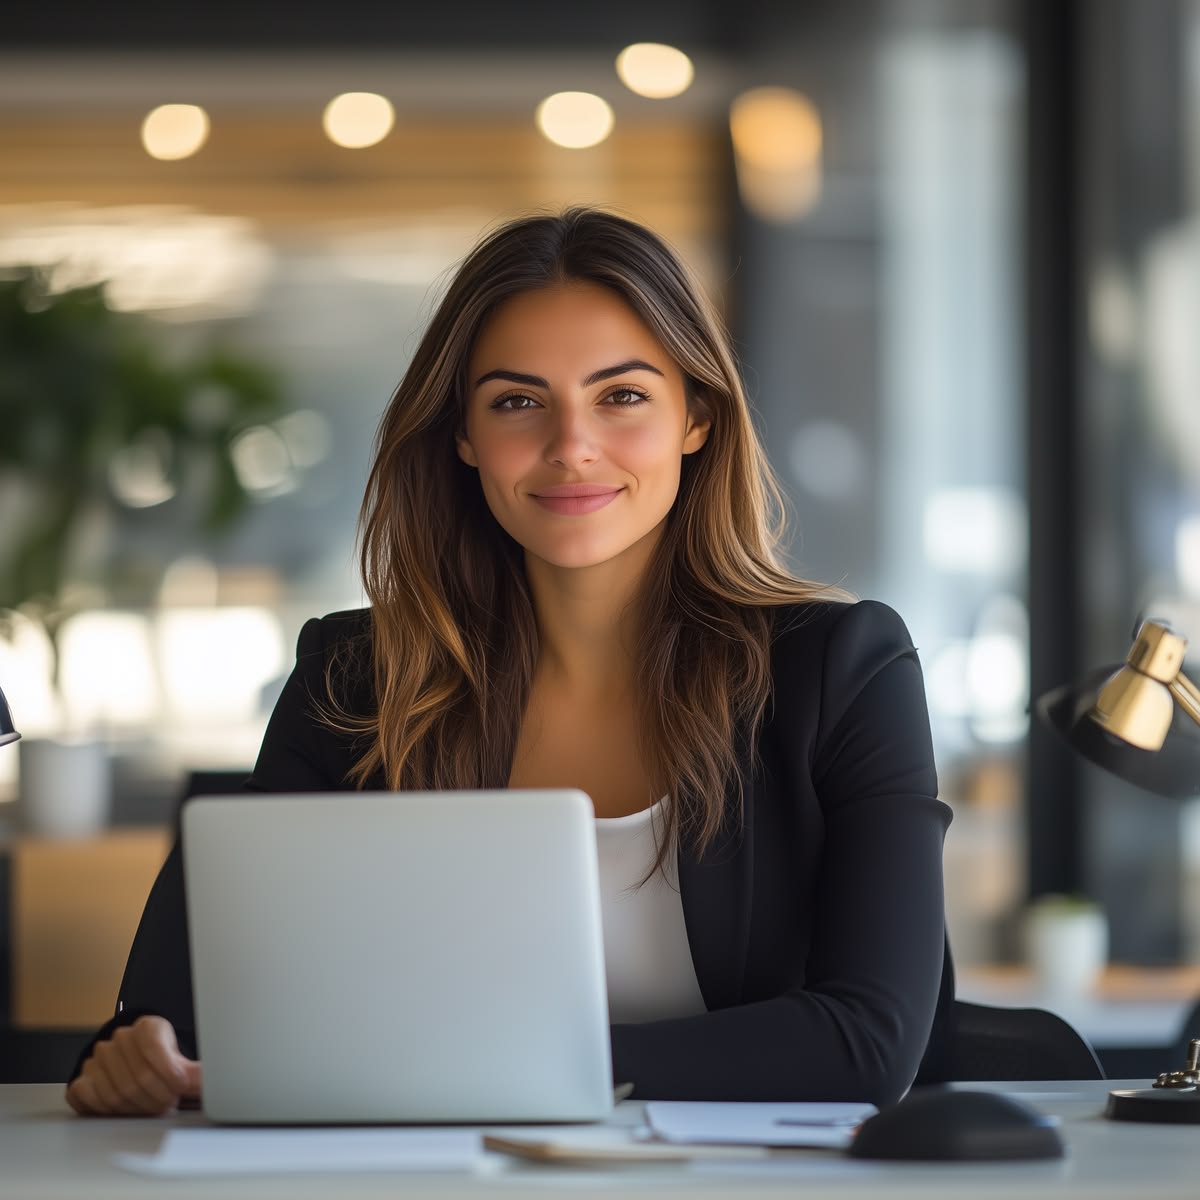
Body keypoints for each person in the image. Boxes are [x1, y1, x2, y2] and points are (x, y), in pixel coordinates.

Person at [66, 207, 952, 1117]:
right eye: (518, 403)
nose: (571, 446)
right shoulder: (355, 681)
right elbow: (171, 1020)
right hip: (433, 1174)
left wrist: (489, 1061)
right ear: (463, 435)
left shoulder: (842, 670)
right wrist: (139, 1056)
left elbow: (868, 1042)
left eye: (622, 396)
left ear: (697, 416)